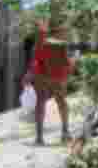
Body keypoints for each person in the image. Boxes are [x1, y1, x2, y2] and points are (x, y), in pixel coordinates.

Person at [23, 14, 74, 146]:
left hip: (44, 76)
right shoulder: (59, 40)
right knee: (60, 102)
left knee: (43, 103)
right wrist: (67, 73)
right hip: (55, 76)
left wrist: (30, 73)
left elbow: (36, 57)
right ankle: (64, 132)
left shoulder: (43, 38)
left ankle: (41, 137)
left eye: (41, 22)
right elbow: (66, 60)